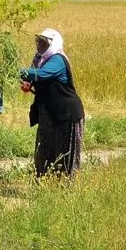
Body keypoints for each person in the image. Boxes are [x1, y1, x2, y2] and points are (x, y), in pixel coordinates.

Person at [20, 28, 85, 178]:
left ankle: (65, 190)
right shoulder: (39, 59)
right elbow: (32, 78)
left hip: (66, 114)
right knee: (44, 151)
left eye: (43, 42)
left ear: (52, 44)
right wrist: (27, 84)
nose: (39, 45)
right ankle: (45, 185)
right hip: (48, 114)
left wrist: (17, 70)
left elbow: (43, 74)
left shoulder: (58, 59)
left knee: (64, 154)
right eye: (38, 41)